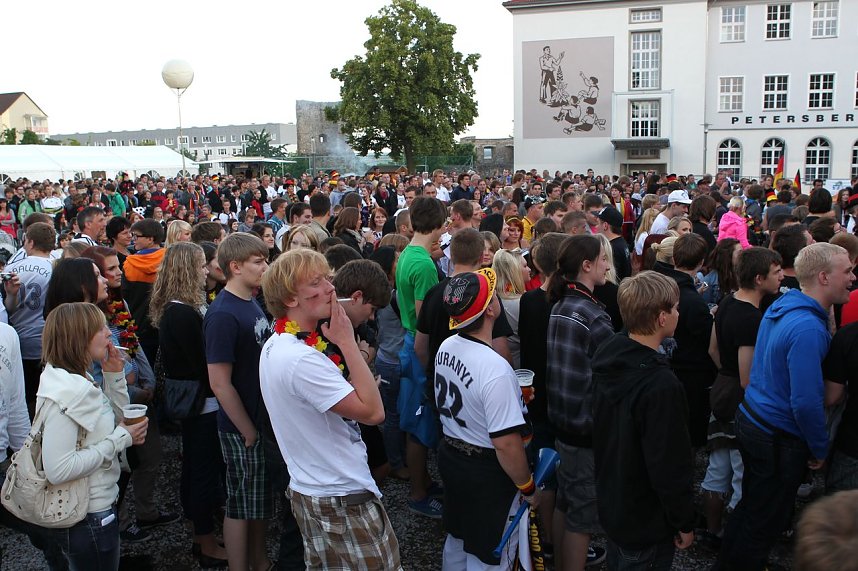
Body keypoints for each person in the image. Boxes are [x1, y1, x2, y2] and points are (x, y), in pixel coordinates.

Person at [715, 243, 855, 570]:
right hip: (776, 434)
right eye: (847, 271)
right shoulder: (807, 328)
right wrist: (819, 446)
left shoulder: (785, 303)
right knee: (764, 521)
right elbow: (806, 401)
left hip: (755, 418)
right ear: (823, 277)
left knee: (751, 508)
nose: (852, 277)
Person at [259, 249, 402, 570]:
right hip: (340, 494)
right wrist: (348, 342)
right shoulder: (301, 358)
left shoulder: (278, 342)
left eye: (327, 278)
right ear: (291, 299)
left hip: (312, 487)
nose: (330, 288)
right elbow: (374, 412)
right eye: (316, 282)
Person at [434, 268, 538, 569]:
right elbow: (506, 443)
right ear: (491, 309)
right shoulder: (495, 367)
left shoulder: (446, 345)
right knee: (491, 553)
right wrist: (528, 487)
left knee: (457, 539)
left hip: (453, 455)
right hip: (487, 472)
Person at [591, 271, 696, 570]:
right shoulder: (660, 385)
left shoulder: (610, 352)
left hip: (617, 500)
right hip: (645, 519)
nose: (679, 312)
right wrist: (684, 520)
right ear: (662, 318)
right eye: (675, 308)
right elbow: (669, 462)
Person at [33, 302, 148, 569]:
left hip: (95, 509)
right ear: (79, 337)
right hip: (89, 515)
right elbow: (59, 469)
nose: (110, 333)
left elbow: (116, 416)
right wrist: (120, 438)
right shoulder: (70, 390)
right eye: (101, 328)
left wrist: (114, 374)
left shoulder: (75, 377)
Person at [148, 242, 227, 567]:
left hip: (202, 401)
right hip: (201, 404)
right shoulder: (180, 312)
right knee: (201, 470)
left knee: (199, 467)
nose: (205, 270)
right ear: (186, 269)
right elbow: (201, 364)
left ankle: (202, 527)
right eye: (200, 265)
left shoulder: (181, 307)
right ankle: (204, 540)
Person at [701, 247, 783, 550]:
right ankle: (736, 540)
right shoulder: (752, 318)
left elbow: (713, 349)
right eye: (775, 273)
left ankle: (712, 531)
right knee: (740, 472)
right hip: (739, 397)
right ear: (759, 278)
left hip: (722, 387)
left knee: (717, 467)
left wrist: (725, 373)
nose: (780, 278)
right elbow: (748, 378)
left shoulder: (726, 302)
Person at [546, 234, 613, 570]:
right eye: (603, 259)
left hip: (562, 421)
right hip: (584, 428)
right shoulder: (592, 313)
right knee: (582, 518)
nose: (607, 265)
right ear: (586, 266)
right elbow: (611, 375)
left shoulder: (561, 304)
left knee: (565, 502)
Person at [395, 196, 448, 518]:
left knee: (415, 419)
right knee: (419, 424)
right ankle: (418, 493)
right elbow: (424, 318)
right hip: (418, 346)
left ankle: (423, 482)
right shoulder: (424, 264)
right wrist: (429, 367)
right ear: (440, 226)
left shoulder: (409, 253)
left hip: (409, 341)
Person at [654, 233, 716, 447]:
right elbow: (708, 341)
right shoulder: (690, 300)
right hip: (691, 374)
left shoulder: (662, 287)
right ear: (701, 262)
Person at [4, 222, 55, 417]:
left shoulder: (12, 266)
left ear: (31, 242)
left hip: (18, 341)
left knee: (24, 398)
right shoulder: (56, 266)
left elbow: (7, 308)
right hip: (46, 340)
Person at [123, 219, 165, 364]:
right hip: (163, 323)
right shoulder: (169, 260)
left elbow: (125, 296)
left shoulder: (129, 264)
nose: (132, 239)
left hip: (138, 324)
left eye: (136, 236)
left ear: (150, 238)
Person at [492, 248, 529, 369]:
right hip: (518, 368)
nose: (529, 269)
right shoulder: (521, 303)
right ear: (514, 271)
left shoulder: (493, 298)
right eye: (525, 266)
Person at [596, 206, 631, 282]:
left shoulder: (612, 248)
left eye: (598, 223)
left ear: (605, 225)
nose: (596, 227)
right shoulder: (621, 242)